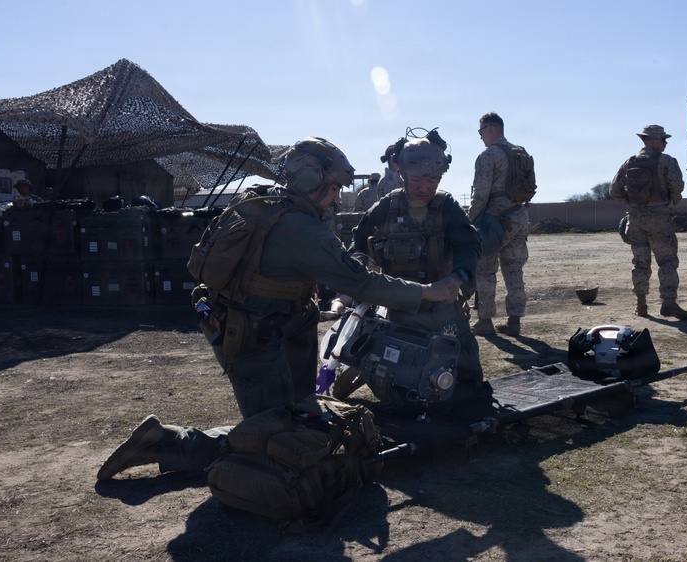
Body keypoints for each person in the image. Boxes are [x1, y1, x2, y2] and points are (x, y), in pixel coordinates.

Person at [97, 137, 463, 481]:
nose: (337, 199)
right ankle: (164, 442)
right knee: (270, 441)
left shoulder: (264, 203)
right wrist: (428, 292)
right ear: (310, 181)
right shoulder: (301, 229)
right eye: (334, 188)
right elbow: (363, 282)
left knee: (301, 418)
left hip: (264, 328)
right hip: (255, 341)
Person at [352, 131, 484, 384]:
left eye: (433, 180)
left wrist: (458, 278)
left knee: (469, 379)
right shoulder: (386, 207)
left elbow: (469, 245)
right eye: (417, 181)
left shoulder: (447, 207)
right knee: (403, 380)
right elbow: (359, 238)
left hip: (445, 310)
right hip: (402, 311)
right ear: (401, 174)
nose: (425, 188)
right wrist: (361, 262)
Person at [609, 125, 687, 320]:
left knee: (640, 262)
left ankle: (641, 305)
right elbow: (677, 185)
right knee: (667, 261)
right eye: (663, 139)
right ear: (653, 140)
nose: (665, 143)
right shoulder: (667, 161)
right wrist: (673, 199)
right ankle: (669, 303)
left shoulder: (628, 162)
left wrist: (631, 203)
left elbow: (614, 190)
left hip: (635, 219)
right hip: (659, 217)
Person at [468, 112, 530, 337]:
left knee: (485, 270)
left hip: (494, 221)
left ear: (490, 129)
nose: (480, 137)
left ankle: (485, 321)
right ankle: (514, 321)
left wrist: (470, 220)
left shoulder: (488, 155)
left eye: (481, 131)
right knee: (514, 270)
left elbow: (480, 194)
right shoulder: (520, 152)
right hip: (520, 217)